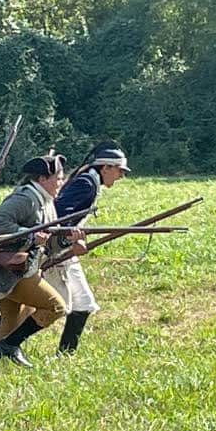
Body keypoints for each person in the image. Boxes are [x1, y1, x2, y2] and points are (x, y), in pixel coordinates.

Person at [0, 154, 81, 367]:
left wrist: (68, 241)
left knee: (12, 320)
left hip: (21, 268)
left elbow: (48, 241)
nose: (61, 182)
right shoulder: (26, 198)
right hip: (11, 271)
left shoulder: (46, 201)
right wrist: (29, 235)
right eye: (57, 178)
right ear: (42, 179)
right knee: (56, 307)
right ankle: (11, 345)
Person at [43, 142, 129, 353]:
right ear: (105, 167)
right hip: (57, 248)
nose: (121, 176)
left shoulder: (89, 180)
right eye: (119, 170)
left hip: (63, 248)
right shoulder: (87, 182)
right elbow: (59, 215)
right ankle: (6, 339)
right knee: (63, 304)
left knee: (81, 303)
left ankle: (65, 353)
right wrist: (72, 238)